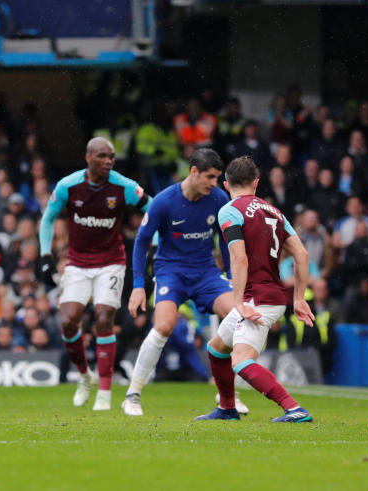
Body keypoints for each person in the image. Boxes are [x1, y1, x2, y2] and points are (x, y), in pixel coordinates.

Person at [121, 148, 246, 416]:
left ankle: (227, 396)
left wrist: (233, 279)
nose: (214, 184)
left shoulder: (218, 199)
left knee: (238, 316)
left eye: (217, 178)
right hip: (171, 272)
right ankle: (132, 394)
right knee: (164, 326)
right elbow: (142, 242)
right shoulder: (164, 202)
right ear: (193, 172)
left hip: (206, 273)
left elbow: (224, 241)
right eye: (210, 177)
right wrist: (139, 285)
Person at [197, 156, 316, 423]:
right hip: (269, 294)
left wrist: (238, 301)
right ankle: (227, 408)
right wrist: (298, 298)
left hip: (256, 298)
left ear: (226, 184)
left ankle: (294, 408)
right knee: (217, 348)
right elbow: (302, 255)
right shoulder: (274, 211)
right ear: (256, 182)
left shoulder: (230, 210)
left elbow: (239, 258)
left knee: (241, 360)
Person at [36, 137, 152, 411]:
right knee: (68, 321)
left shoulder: (123, 186)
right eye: (102, 156)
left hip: (111, 262)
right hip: (77, 263)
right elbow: (48, 217)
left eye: (111, 156)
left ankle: (105, 390)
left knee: (103, 316)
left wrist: (154, 240)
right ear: (88, 158)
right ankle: (85, 376)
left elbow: (154, 207)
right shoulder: (68, 185)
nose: (108, 161)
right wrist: (44, 255)